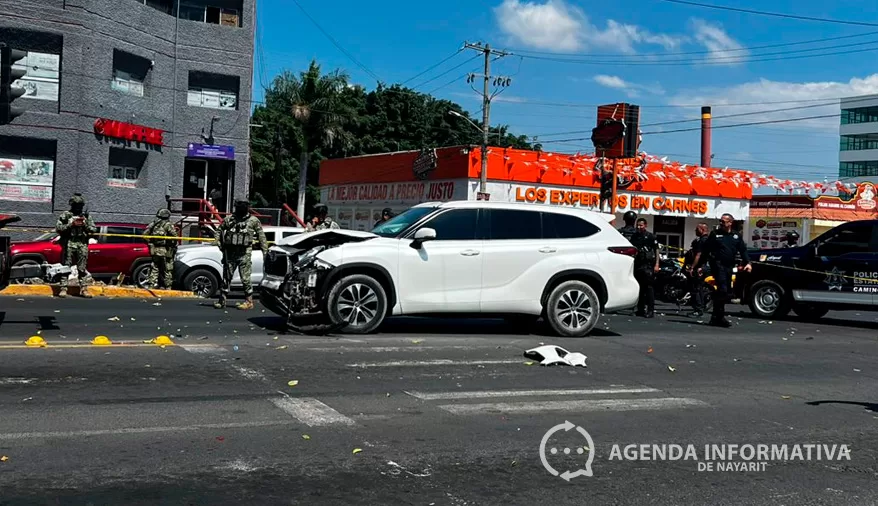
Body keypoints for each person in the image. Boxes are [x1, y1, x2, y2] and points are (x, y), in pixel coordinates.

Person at [694, 213, 752, 327]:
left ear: (730, 222)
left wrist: (748, 263)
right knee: (723, 289)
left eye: (723, 221)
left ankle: (717, 316)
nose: (721, 223)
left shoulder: (736, 236)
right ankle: (719, 316)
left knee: (726, 293)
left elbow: (743, 251)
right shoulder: (715, 234)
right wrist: (700, 266)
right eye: (720, 221)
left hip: (729, 266)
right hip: (717, 265)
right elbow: (705, 251)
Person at [214, 200, 269, 310]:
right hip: (230, 253)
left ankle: (249, 302)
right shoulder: (230, 219)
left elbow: (261, 237)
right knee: (226, 277)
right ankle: (222, 301)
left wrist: (265, 252)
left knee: (245, 278)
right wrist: (219, 244)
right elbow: (219, 231)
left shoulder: (253, 221)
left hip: (244, 254)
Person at [56, 193, 98, 298]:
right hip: (69, 242)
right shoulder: (66, 215)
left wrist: (85, 225)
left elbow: (94, 229)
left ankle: (83, 288)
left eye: (80, 206)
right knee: (66, 266)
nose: (78, 207)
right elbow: (58, 228)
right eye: (76, 205)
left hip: (81, 243)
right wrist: (71, 225)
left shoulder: (86, 216)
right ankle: (63, 288)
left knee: (82, 267)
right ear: (72, 205)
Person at [630, 217, 660, 318]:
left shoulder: (651, 237)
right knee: (640, 288)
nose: (639, 227)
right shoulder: (634, 237)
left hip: (648, 266)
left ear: (645, 225)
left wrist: (657, 264)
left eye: (641, 225)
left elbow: (656, 251)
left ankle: (650, 310)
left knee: (649, 288)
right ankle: (640, 309)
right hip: (638, 265)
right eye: (637, 225)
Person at [144, 208, 178, 290]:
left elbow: (144, 235)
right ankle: (168, 286)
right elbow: (175, 237)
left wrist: (150, 243)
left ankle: (152, 285)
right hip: (166, 251)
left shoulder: (153, 224)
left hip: (155, 250)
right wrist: (171, 244)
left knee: (155, 268)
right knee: (168, 269)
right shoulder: (168, 225)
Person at [684, 223, 710, 317]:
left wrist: (692, 267)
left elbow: (698, 255)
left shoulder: (702, 241)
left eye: (696, 229)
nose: (695, 231)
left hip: (699, 267)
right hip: (704, 267)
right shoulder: (709, 240)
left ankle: (698, 309)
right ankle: (701, 308)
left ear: (702, 230)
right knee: (699, 288)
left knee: (695, 289)